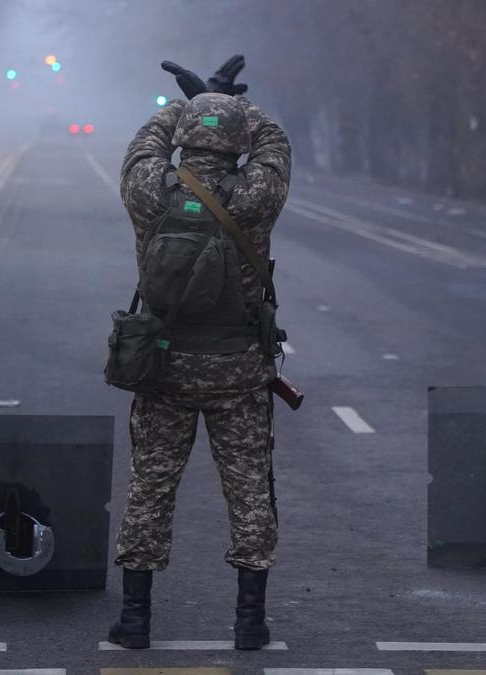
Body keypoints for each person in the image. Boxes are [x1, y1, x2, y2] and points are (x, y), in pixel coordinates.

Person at [108, 55, 291, 651]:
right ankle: (248, 623)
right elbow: (274, 140)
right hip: (238, 372)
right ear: (236, 143)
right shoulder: (255, 195)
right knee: (248, 491)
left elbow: (145, 141)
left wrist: (189, 105)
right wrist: (233, 106)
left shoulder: (148, 192)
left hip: (164, 368)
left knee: (150, 489)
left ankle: (135, 622)